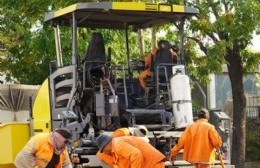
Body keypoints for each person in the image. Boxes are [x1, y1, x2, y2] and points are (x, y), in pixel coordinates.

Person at [96, 134, 165, 168]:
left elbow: (136, 154)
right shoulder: (117, 143)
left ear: (106, 146)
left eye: (103, 150)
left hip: (153, 165)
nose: (104, 153)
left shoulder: (118, 145)